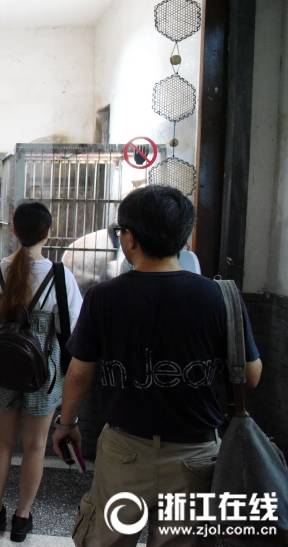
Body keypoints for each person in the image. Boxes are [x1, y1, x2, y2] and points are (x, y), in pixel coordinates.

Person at [53, 185, 263, 546]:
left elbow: (78, 373)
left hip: (125, 453)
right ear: (184, 237)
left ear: (130, 238)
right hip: (195, 456)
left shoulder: (105, 297)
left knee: (109, 539)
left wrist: (67, 423)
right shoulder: (219, 296)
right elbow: (252, 376)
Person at [0, 201, 82, 542]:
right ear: (48, 234)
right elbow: (73, 328)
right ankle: (22, 519)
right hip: (44, 372)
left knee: (3, 440)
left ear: (14, 230)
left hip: (4, 364)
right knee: (35, 446)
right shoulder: (61, 276)